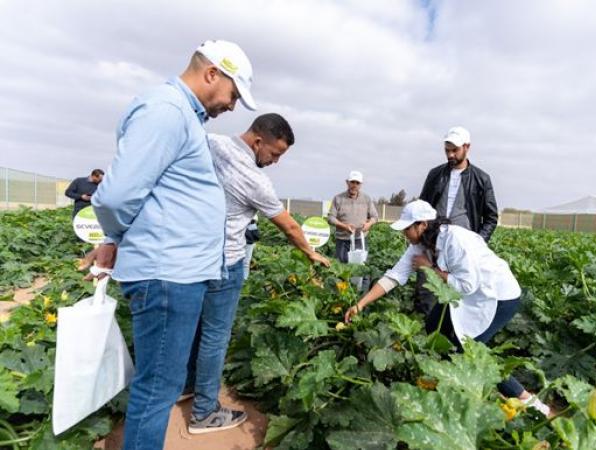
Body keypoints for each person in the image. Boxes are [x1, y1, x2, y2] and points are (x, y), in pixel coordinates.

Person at [89, 40, 257, 450]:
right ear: (212, 73)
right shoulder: (166, 111)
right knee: (158, 387)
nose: (233, 106)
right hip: (167, 275)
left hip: (176, 272)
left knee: (160, 382)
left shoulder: (183, 116)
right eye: (233, 94)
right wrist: (114, 236)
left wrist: (115, 238)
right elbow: (115, 195)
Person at [182, 113, 330, 434]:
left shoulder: (211, 143)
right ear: (258, 141)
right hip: (225, 260)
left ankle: (187, 385)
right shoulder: (254, 178)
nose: (274, 162)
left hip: (192, 256)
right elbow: (289, 226)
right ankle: (204, 412)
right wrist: (310, 252)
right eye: (274, 154)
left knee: (195, 327)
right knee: (215, 336)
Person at [343, 200, 551, 417]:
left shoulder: (455, 240)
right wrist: (360, 304)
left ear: (422, 225)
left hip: (497, 297)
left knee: (472, 353)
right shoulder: (420, 244)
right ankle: (447, 377)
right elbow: (395, 275)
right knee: (434, 324)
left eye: (407, 228)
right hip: (466, 295)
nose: (404, 233)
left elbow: (468, 285)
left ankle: (528, 401)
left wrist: (429, 267)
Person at [415, 126, 499, 314]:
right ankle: (425, 326)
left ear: (467, 147)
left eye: (455, 150)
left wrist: (478, 242)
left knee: (457, 289)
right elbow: (421, 208)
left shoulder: (481, 179)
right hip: (433, 241)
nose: (450, 154)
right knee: (426, 285)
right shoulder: (435, 175)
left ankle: (452, 330)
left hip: (461, 247)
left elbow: (491, 217)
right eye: (447, 150)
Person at [327, 170, 379, 263]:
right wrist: (344, 226)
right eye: (352, 182)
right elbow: (331, 218)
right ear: (347, 182)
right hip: (342, 240)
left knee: (359, 268)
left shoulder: (366, 199)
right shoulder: (338, 198)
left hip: (360, 239)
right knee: (342, 268)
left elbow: (375, 216)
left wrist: (369, 224)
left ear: (360, 184)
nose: (354, 185)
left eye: (357, 183)